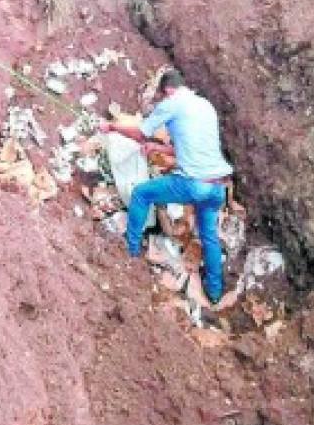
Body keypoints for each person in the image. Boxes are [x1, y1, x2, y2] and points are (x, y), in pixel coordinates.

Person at [100, 69, 234, 307]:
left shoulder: (172, 103)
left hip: (193, 184)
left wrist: (111, 128)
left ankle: (130, 248)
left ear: (167, 91)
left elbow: (140, 133)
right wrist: (158, 149)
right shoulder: (205, 106)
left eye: (161, 96)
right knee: (209, 236)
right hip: (217, 188)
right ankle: (214, 292)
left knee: (142, 193)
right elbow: (190, 147)